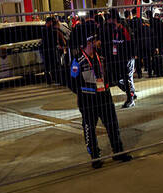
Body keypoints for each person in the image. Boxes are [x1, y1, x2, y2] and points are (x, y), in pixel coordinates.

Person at [68, 23, 132, 169]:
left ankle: (118, 151)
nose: (99, 42)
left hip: (104, 96)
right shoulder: (78, 61)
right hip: (88, 100)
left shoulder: (101, 56)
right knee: (90, 128)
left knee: (112, 124)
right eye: (95, 39)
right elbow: (72, 83)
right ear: (88, 42)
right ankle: (95, 157)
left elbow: (109, 74)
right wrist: (84, 92)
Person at [104, 10, 136, 108]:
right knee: (118, 79)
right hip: (118, 57)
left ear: (113, 19)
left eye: (110, 19)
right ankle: (131, 93)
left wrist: (131, 56)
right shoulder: (114, 29)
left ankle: (130, 98)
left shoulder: (124, 28)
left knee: (126, 78)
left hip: (126, 57)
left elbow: (131, 42)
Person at [40, 17, 64, 85]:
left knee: (50, 65)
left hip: (48, 49)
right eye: (51, 22)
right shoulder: (48, 30)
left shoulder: (45, 29)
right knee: (52, 65)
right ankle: (54, 79)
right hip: (49, 49)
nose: (51, 23)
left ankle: (52, 79)